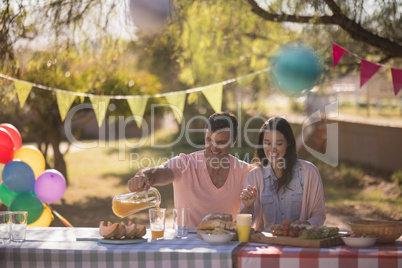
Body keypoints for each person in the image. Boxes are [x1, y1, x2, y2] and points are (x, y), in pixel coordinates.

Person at [128, 111, 250, 227]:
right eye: (209, 140)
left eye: (221, 142)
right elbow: (156, 174)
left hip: (226, 242)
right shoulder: (184, 164)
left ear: (233, 141)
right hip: (186, 241)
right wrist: (143, 176)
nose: (214, 148)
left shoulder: (244, 171)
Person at [239, 117, 326, 232]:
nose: (272, 149)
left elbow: (319, 215)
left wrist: (304, 225)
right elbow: (245, 225)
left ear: (288, 143)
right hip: (267, 245)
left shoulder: (309, 172)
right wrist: (248, 206)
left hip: (298, 241)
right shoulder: (254, 176)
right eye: (267, 143)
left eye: (279, 143)